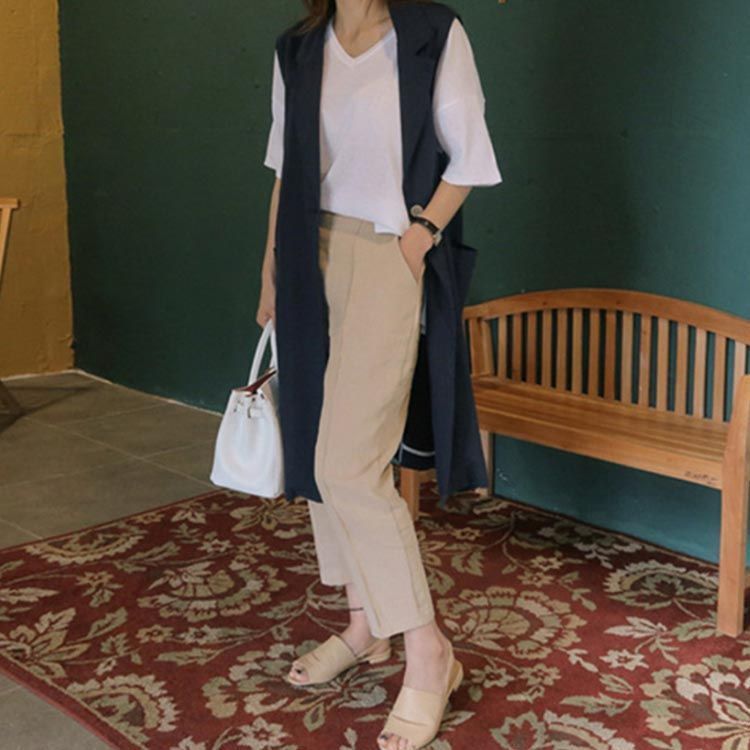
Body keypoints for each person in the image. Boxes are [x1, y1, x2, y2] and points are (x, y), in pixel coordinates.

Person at [256, 1, 502, 748]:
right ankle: (365, 624)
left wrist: (418, 238)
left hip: (388, 254)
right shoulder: (298, 48)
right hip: (308, 253)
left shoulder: (432, 35)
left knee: (350, 464)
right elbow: (286, 169)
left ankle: (429, 652)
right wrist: (271, 270)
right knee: (314, 448)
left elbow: (470, 158)